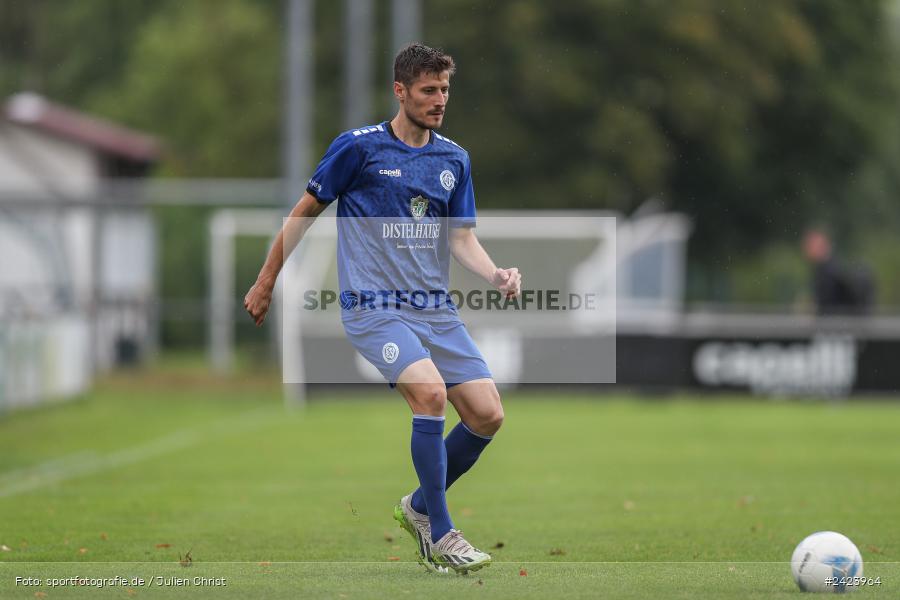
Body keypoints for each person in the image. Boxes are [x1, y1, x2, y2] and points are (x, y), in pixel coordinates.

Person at [244, 43, 521, 575]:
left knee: (487, 415)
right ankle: (442, 534)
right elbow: (304, 212)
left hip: (435, 310)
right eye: (428, 91)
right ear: (400, 91)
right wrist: (267, 280)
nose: (439, 100)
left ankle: (418, 506)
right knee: (431, 394)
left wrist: (495, 274)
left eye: (444, 90)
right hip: (373, 307)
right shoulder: (359, 149)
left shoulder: (454, 159)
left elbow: (462, 239)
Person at [802, 228, 874, 315]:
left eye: (810, 244)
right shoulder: (827, 269)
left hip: (838, 324)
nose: (806, 249)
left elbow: (827, 306)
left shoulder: (829, 271)